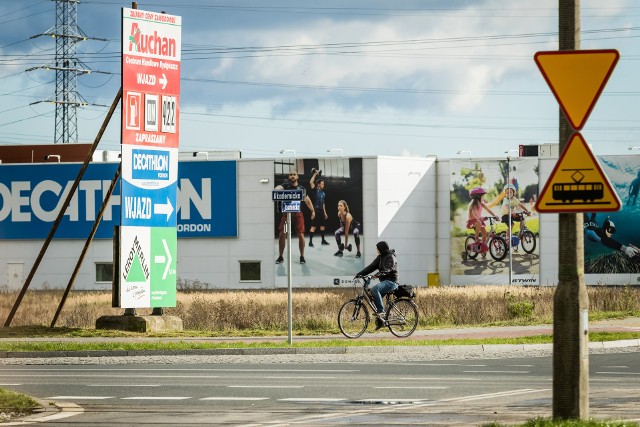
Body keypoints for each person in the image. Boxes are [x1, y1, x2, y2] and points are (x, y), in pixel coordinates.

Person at [355, 241, 398, 330]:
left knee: (375, 289)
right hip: (385, 282)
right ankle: (381, 321)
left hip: (392, 282)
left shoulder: (391, 257)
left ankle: (381, 312)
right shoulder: (380, 258)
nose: (377, 250)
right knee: (373, 297)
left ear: (381, 249)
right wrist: (359, 274)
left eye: (377, 249)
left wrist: (376, 275)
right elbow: (371, 267)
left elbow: (388, 269)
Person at [274, 170, 314, 264]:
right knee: (282, 234)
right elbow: (277, 189)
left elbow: (307, 201)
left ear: (297, 177)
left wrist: (312, 210)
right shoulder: (284, 186)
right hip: (286, 213)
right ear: (289, 177)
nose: (292, 176)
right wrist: (277, 189)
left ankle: (302, 256)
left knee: (301, 234)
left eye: (294, 174)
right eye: (290, 175)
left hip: (298, 214)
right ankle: (280, 256)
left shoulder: (301, 188)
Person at [466, 187, 498, 257]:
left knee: (485, 234)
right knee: (479, 223)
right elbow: (473, 213)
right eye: (482, 196)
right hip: (473, 221)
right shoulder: (473, 204)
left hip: (479, 220)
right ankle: (476, 238)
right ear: (478, 196)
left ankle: (482, 247)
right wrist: (479, 218)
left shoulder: (482, 204)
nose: (483, 197)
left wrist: (495, 215)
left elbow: (488, 210)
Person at [500, 183, 531, 250]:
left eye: (510, 192)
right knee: (511, 224)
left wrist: (527, 211)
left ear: (513, 192)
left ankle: (520, 234)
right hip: (505, 215)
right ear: (505, 193)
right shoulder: (505, 199)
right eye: (507, 192)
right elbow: (506, 206)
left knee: (522, 218)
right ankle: (507, 238)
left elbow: (520, 205)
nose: (509, 194)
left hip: (512, 214)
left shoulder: (514, 199)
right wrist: (511, 212)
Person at [308, 168, 330, 247]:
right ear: (318, 184)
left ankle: (323, 240)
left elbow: (323, 203)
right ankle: (310, 242)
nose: (323, 185)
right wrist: (315, 174)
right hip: (316, 210)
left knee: (322, 226)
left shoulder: (323, 193)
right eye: (322, 184)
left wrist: (325, 213)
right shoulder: (315, 190)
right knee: (313, 226)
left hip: (321, 211)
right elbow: (311, 182)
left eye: (323, 184)